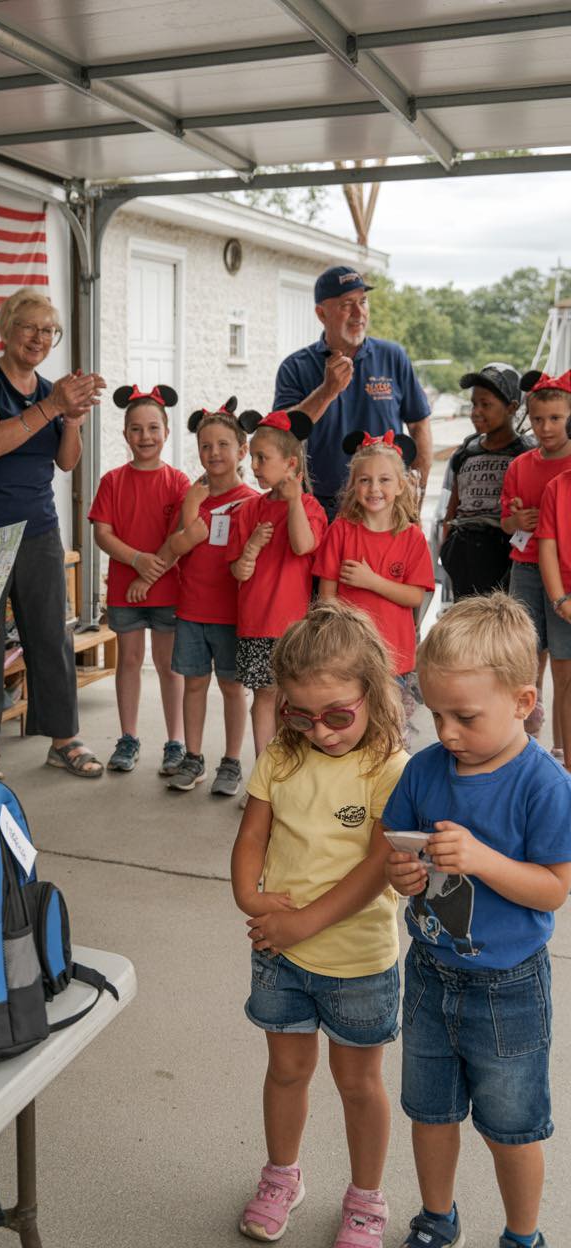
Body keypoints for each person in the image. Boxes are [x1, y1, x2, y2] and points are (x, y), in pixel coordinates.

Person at [384, 593, 571, 1248]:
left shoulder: (543, 785)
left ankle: (523, 1234)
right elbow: (395, 850)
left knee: (511, 1126)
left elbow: (553, 891)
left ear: (524, 702)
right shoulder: (425, 769)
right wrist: (399, 874)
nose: (446, 732)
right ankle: (438, 1217)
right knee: (430, 1113)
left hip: (509, 987)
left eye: (464, 716)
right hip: (432, 973)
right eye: (435, 713)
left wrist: (485, 859)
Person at [232, 600, 408, 1248]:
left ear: (374, 693)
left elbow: (380, 867)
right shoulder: (282, 756)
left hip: (359, 959)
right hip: (280, 953)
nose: (322, 732)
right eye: (301, 715)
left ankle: (366, 1201)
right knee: (285, 1070)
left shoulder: (388, 766)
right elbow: (253, 832)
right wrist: (249, 898)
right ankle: (282, 1177)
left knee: (359, 1083)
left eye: (338, 715)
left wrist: (303, 923)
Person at [0, 288, 106, 781]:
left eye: (48, 331)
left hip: (37, 527)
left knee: (50, 636)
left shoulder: (50, 392)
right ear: (7, 328)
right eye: (30, 327)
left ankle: (63, 740)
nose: (39, 338)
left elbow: (65, 461)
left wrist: (72, 420)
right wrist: (54, 405)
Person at [273, 265, 432, 517]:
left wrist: (415, 498)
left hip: (385, 508)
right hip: (320, 510)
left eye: (363, 302)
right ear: (321, 313)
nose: (359, 313)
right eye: (347, 304)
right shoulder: (295, 367)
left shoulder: (393, 357)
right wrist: (327, 391)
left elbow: (419, 426)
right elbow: (280, 437)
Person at [88, 384, 189, 775]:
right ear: (125, 433)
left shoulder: (178, 482)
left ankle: (176, 742)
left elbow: (179, 538)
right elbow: (103, 533)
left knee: (168, 665)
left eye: (152, 428)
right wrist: (135, 560)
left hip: (167, 589)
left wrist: (148, 576)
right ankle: (128, 738)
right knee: (128, 661)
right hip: (122, 590)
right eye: (135, 429)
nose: (144, 437)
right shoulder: (113, 480)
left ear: (166, 432)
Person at [226, 411, 327, 768]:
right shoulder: (248, 510)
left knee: (296, 700)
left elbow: (303, 546)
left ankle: (294, 771)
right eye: (252, 456)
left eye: (261, 458)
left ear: (290, 463)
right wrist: (252, 546)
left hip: (292, 628)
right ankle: (264, 773)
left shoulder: (310, 507)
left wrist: (295, 499)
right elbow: (239, 571)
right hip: (255, 625)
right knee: (265, 697)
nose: (253, 465)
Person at [166, 400, 255, 797]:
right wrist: (190, 509)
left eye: (223, 444)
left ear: (242, 450)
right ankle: (193, 756)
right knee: (194, 684)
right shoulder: (192, 496)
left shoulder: (252, 501)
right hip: (191, 610)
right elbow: (175, 548)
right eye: (205, 446)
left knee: (233, 687)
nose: (214, 453)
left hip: (234, 614)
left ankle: (232, 761)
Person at [315, 431, 435, 718]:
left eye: (384, 479)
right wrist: (332, 647)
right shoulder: (341, 531)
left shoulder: (412, 538)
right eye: (364, 480)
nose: (374, 488)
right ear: (353, 485)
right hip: (349, 655)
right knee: (351, 727)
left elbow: (415, 595)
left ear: (400, 486)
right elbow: (326, 599)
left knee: (392, 731)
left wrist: (372, 581)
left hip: (395, 657)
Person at [502, 370, 571, 749]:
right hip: (526, 568)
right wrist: (517, 520)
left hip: (564, 575)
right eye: (539, 419)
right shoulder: (520, 466)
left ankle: (562, 748)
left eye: (556, 419)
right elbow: (506, 522)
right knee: (526, 658)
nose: (546, 428)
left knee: (564, 664)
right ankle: (528, 742)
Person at [440, 364, 530, 599]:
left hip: (503, 550)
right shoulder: (465, 452)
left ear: (512, 408)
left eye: (486, 404)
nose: (476, 411)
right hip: (463, 550)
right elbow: (454, 504)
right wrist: (447, 541)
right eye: (474, 404)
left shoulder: (524, 455)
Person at [536, 424, 571, 772]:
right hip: (564, 599)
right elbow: (547, 547)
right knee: (567, 683)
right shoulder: (557, 488)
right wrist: (560, 600)